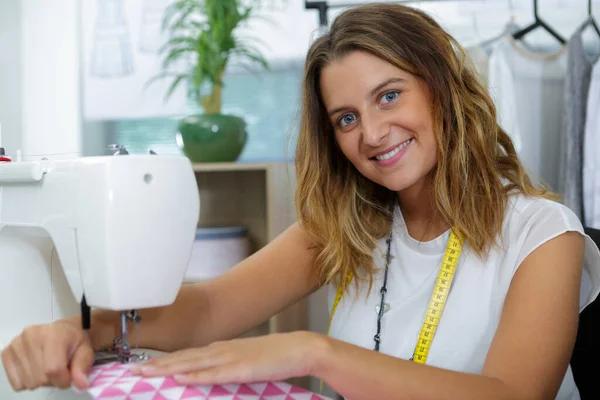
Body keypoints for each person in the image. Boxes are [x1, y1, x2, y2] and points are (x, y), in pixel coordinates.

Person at [3, 3, 600, 399]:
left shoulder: (545, 234)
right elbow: (210, 309)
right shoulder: (351, 224)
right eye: (346, 117)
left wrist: (315, 352)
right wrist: (82, 326)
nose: (370, 133)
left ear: (443, 89)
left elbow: (514, 394)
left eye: (389, 96)